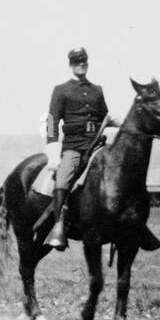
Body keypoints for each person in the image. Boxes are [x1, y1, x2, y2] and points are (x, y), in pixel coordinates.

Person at [43, 47, 109, 250]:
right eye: (77, 62)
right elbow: (52, 121)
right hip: (74, 146)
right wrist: (53, 151)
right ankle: (58, 226)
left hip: (96, 145)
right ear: (70, 65)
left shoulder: (97, 90)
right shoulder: (61, 90)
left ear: (87, 63)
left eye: (84, 61)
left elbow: (105, 116)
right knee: (63, 178)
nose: (81, 65)